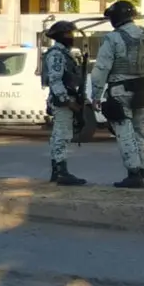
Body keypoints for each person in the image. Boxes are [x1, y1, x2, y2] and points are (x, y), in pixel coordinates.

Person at [89, 0, 144, 188]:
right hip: (143, 89)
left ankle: (133, 174)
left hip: (120, 89)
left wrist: (96, 95)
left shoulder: (112, 38)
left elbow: (101, 68)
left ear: (115, 18)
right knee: (141, 131)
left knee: (124, 132)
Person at [41, 21, 87, 186]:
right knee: (62, 135)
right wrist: (67, 101)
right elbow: (55, 80)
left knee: (60, 135)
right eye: (69, 34)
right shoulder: (57, 54)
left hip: (66, 98)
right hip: (63, 101)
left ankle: (58, 170)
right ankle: (61, 171)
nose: (72, 37)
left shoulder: (64, 53)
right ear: (61, 36)